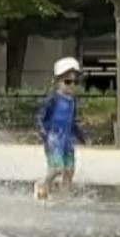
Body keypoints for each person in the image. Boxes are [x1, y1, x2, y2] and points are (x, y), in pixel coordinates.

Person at [35, 57, 89, 201]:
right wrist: (43, 133)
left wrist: (82, 136)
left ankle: (65, 195)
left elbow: (73, 122)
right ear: (58, 82)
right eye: (68, 82)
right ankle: (44, 184)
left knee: (70, 170)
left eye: (75, 82)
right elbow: (40, 117)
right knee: (57, 168)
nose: (72, 85)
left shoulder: (73, 101)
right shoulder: (52, 100)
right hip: (54, 138)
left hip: (67, 138)